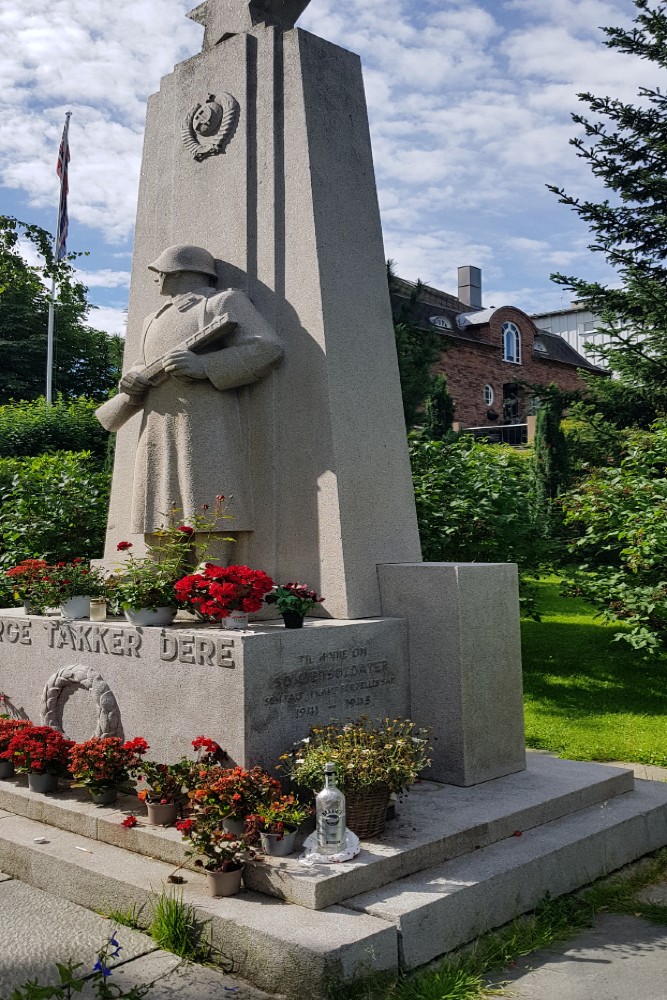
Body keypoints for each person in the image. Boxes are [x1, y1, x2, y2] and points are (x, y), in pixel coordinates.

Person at [96, 244, 283, 534]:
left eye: (160, 272)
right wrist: (132, 379)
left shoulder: (221, 302)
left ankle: (214, 566)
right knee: (157, 486)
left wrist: (205, 366)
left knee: (206, 478)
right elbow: (140, 363)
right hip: (157, 415)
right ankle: (161, 564)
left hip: (204, 413)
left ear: (178, 271)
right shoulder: (152, 319)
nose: (157, 278)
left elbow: (266, 347)